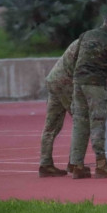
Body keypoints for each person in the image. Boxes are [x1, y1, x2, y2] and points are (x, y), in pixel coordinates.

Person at [68, 11, 107, 179]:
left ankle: (77, 165)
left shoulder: (86, 35)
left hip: (78, 84)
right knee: (97, 122)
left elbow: (74, 59)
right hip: (95, 85)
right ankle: (101, 164)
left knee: (80, 123)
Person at [38, 38, 81, 177]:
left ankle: (45, 164)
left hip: (54, 81)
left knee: (51, 126)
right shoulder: (91, 46)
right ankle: (74, 163)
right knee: (81, 121)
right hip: (64, 83)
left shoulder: (80, 41)